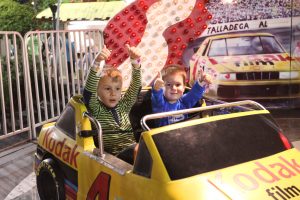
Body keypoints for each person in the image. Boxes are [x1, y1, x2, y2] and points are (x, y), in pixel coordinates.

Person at [83, 44, 141, 163]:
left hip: (134, 151)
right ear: (97, 91)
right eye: (108, 89)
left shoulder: (124, 106)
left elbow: (136, 87)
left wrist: (135, 62)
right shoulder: (97, 108)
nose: (113, 94)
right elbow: (88, 92)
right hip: (115, 157)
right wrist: (97, 62)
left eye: (117, 89)